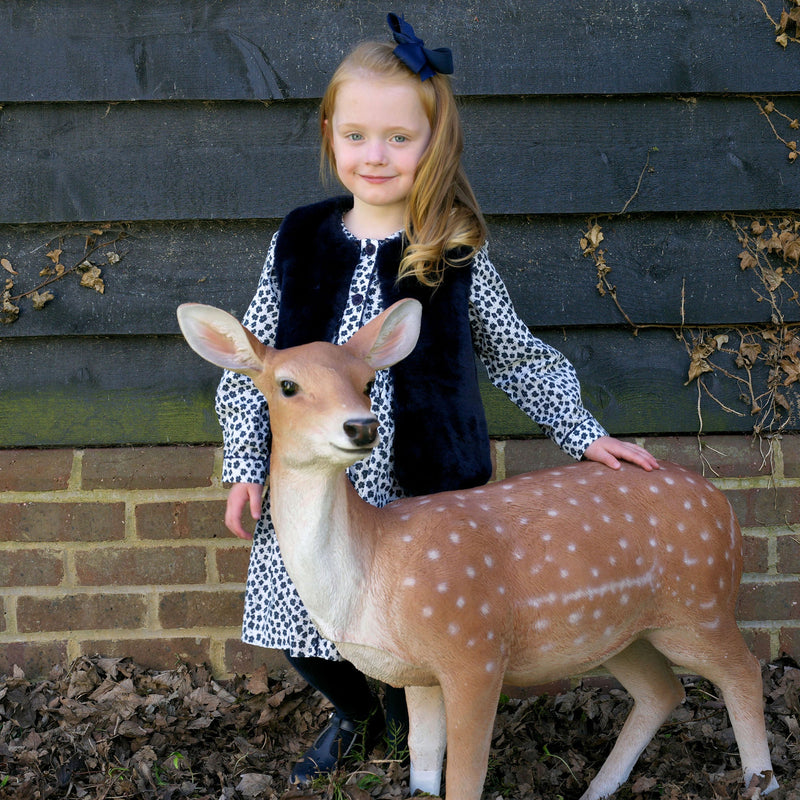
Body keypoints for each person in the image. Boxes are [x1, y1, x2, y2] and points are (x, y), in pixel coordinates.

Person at [215, 13, 659, 787]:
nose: (375, 156)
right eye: (356, 136)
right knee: (305, 624)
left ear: (433, 142)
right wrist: (248, 461)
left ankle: (427, 718)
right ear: (330, 135)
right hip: (318, 483)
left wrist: (583, 434)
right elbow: (248, 360)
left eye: (398, 138)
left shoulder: (452, 252)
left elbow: (514, 353)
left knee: (427, 626)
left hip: (424, 491)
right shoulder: (298, 238)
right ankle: (364, 713)